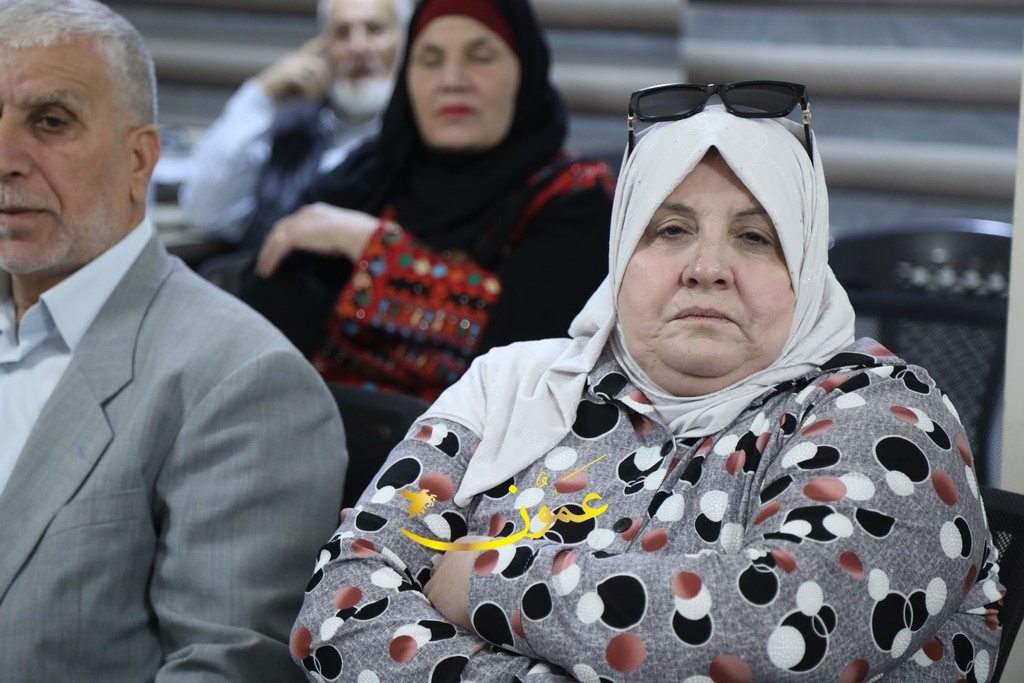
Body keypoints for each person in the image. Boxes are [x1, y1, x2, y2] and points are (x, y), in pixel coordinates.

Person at [290, 90, 1004, 680]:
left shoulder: (886, 412)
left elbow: (781, 627)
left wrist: (481, 580)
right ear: (620, 255)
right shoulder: (512, 385)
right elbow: (338, 611)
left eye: (755, 237)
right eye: (670, 229)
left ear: (807, 265)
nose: (707, 268)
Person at [0, 1, 347, 680]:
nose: (5, 158)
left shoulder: (245, 381)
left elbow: (224, 666)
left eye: (51, 121)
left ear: (140, 160)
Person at [241, 0, 615, 401]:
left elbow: (529, 354)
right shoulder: (372, 173)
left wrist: (373, 249)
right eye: (430, 60)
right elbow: (269, 300)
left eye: (481, 57)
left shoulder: (576, 195)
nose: (452, 80)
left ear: (525, 71)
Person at [180, 0, 414, 248]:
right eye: (342, 33)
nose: (358, 47)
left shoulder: (421, 142)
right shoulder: (292, 130)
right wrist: (260, 97)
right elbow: (206, 213)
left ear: (406, 43)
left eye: (375, 30)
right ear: (323, 47)